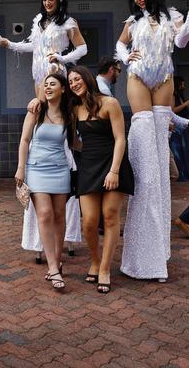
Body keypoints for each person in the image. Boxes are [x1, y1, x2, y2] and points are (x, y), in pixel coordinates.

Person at [115, 0, 189, 280]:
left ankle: (157, 254)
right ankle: (139, 255)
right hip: (139, 79)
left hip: (165, 80)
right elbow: (120, 43)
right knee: (145, 157)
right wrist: (123, 56)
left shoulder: (171, 16)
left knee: (161, 161)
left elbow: (181, 42)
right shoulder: (133, 21)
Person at [68, 66, 134, 293]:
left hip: (113, 164)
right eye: (70, 82)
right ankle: (95, 260)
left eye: (77, 79)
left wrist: (114, 171)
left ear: (87, 79)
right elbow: (75, 142)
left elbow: (120, 139)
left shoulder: (109, 103)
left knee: (110, 216)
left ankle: (104, 268)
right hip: (88, 166)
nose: (74, 84)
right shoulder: (75, 109)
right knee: (88, 222)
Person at [15, 73, 72, 291]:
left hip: (60, 169)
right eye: (45, 84)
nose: (47, 87)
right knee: (45, 213)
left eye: (53, 84)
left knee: (60, 216)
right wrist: (21, 168)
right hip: (36, 168)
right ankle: (53, 267)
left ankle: (56, 262)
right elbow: (24, 140)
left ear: (63, 89)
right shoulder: (36, 111)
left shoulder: (69, 113)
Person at [171, 76, 189, 180]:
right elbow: (173, 110)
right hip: (177, 126)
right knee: (178, 149)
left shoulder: (180, 95)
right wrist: (185, 104)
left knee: (184, 149)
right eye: (182, 84)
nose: (184, 86)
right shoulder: (173, 95)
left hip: (183, 124)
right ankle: (181, 174)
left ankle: (184, 173)